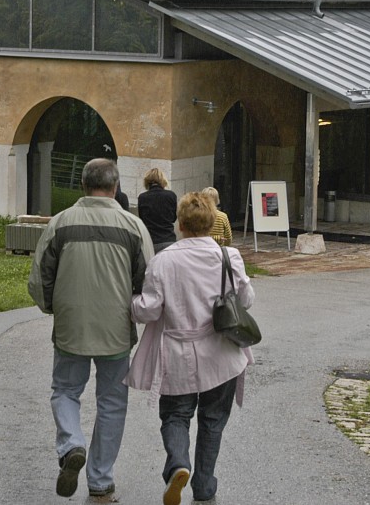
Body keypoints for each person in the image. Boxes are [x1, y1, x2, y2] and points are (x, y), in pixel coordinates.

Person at [28, 158, 155, 500]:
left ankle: (71, 444)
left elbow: (40, 278)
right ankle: (100, 479)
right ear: (115, 188)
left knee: (65, 390)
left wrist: (54, 307)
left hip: (71, 327)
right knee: (112, 401)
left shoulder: (60, 223)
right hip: (115, 328)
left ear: (83, 185)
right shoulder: (133, 226)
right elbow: (147, 281)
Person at [126, 191, 255, 505]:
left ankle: (178, 464)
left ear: (179, 224)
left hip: (178, 353)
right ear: (212, 223)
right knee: (213, 420)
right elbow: (247, 300)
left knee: (175, 416)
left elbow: (149, 310)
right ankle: (204, 485)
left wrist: (131, 304)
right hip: (222, 353)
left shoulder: (164, 261)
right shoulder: (229, 257)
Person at [137, 167, 179, 252]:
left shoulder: (142, 197)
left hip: (150, 242)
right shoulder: (171, 195)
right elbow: (174, 218)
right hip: (168, 240)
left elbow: (142, 219)